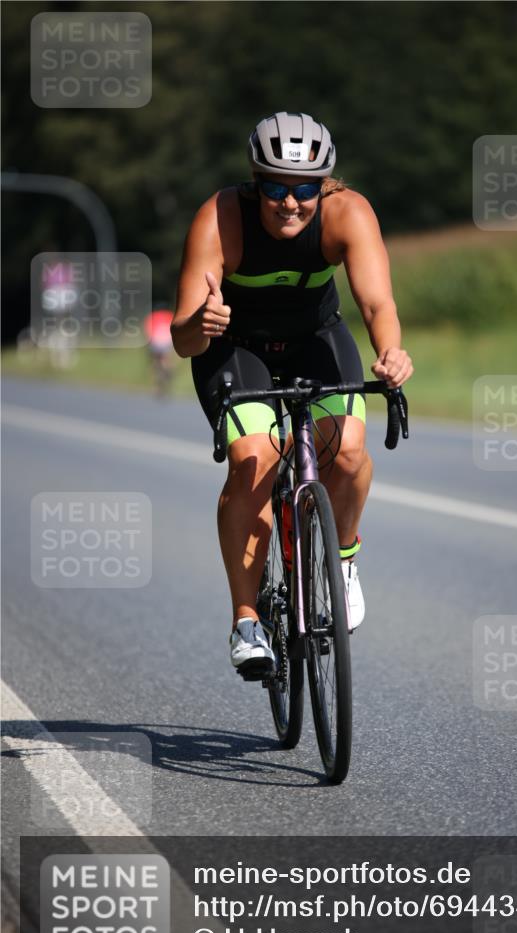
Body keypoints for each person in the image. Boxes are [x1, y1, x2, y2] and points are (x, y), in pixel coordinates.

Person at [171, 112, 413, 679]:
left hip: (315, 340)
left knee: (348, 449)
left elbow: (378, 305)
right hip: (233, 346)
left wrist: (391, 352)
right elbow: (182, 340)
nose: (289, 202)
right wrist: (200, 323)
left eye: (304, 189)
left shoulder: (348, 213)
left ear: (323, 187)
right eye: (275, 187)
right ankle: (248, 621)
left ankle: (343, 560)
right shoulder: (220, 218)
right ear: (256, 182)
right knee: (256, 459)